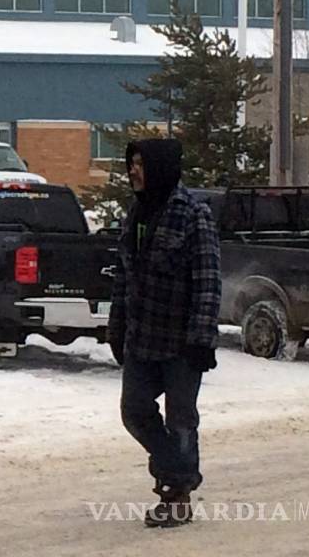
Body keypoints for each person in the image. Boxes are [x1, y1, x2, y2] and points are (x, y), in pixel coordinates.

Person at [109, 138, 220, 528]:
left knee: (181, 419)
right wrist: (116, 321)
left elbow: (208, 279)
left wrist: (200, 339)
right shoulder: (135, 214)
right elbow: (124, 274)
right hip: (142, 337)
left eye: (140, 163)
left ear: (159, 167)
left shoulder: (193, 213)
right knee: (134, 411)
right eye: (131, 163)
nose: (133, 170)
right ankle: (179, 471)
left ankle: (176, 496)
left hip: (181, 341)